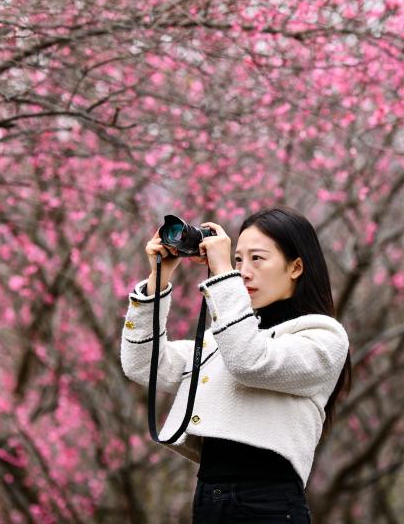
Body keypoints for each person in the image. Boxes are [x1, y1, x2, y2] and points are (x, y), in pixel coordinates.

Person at [120, 206, 352, 523]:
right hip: (208, 498)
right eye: (238, 260)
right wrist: (157, 281)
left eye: (257, 258)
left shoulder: (324, 338)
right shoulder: (223, 342)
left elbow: (249, 361)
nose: (243, 271)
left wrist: (220, 272)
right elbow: (143, 364)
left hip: (267, 504)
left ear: (296, 267)